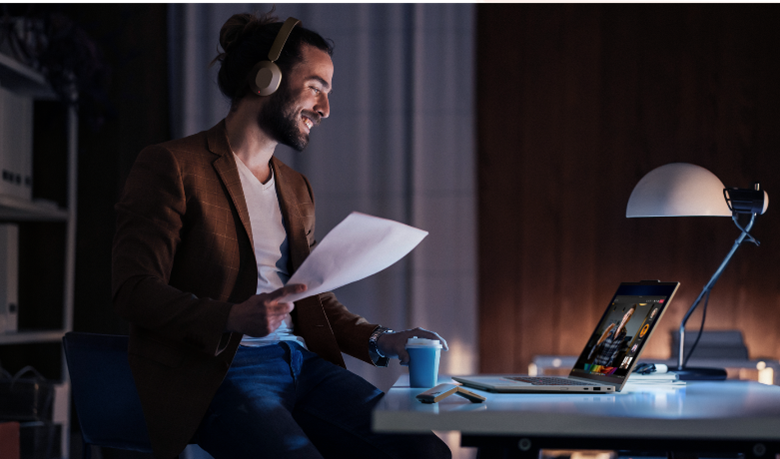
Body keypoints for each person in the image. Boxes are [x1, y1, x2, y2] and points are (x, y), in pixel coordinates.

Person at [112, 10, 451, 459]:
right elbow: (133, 290)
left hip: (303, 364)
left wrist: (381, 340)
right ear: (266, 79)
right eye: (316, 87)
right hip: (223, 370)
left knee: (426, 454)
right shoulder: (172, 165)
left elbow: (311, 294)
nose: (325, 108)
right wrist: (232, 317)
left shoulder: (295, 187)